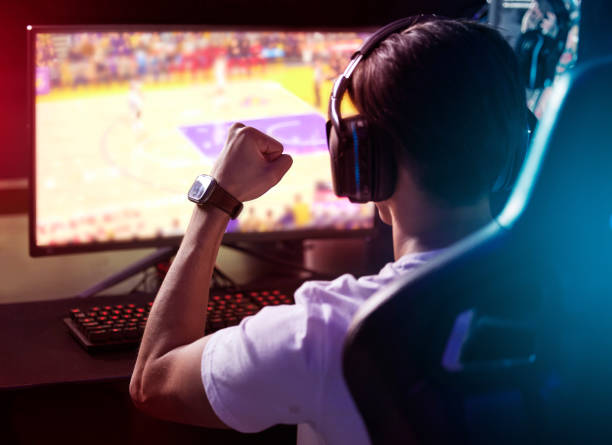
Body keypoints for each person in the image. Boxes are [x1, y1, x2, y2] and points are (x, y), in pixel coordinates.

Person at [130, 17, 527, 445]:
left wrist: (218, 200)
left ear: (363, 161)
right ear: (514, 147)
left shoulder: (328, 333)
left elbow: (154, 380)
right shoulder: (586, 299)